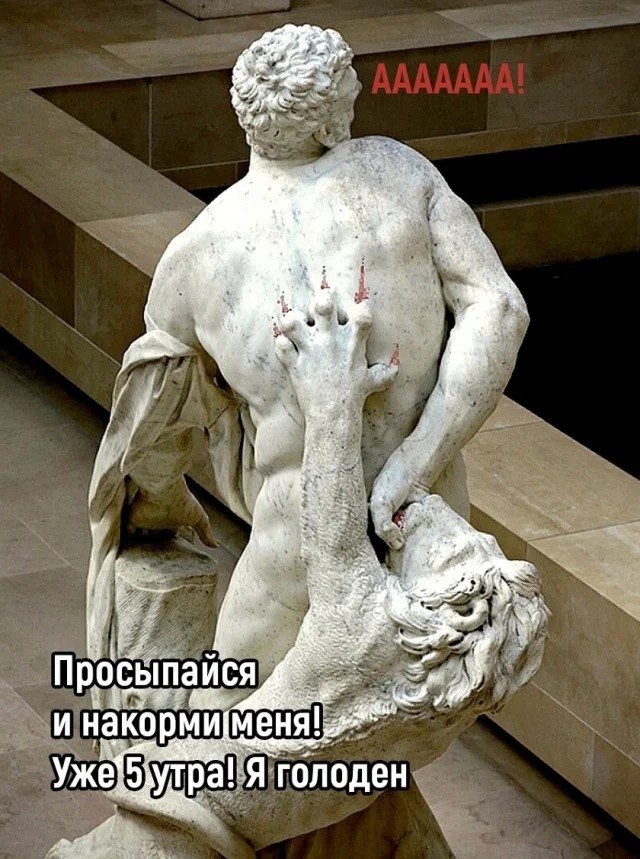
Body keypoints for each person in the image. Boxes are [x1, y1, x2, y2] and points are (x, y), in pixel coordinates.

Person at [87, 23, 530, 721]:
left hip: (292, 537)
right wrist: (413, 464)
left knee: (226, 721)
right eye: (351, 86)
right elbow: (499, 309)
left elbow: (151, 422)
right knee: (380, 723)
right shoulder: (400, 173)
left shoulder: (194, 258)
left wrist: (159, 511)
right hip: (418, 515)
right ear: (329, 122)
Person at [51, 284, 546, 859]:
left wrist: (333, 389)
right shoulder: (442, 709)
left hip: (178, 820)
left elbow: (331, 524)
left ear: (438, 608)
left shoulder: (367, 631)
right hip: (225, 812)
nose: (437, 515)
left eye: (443, 543)